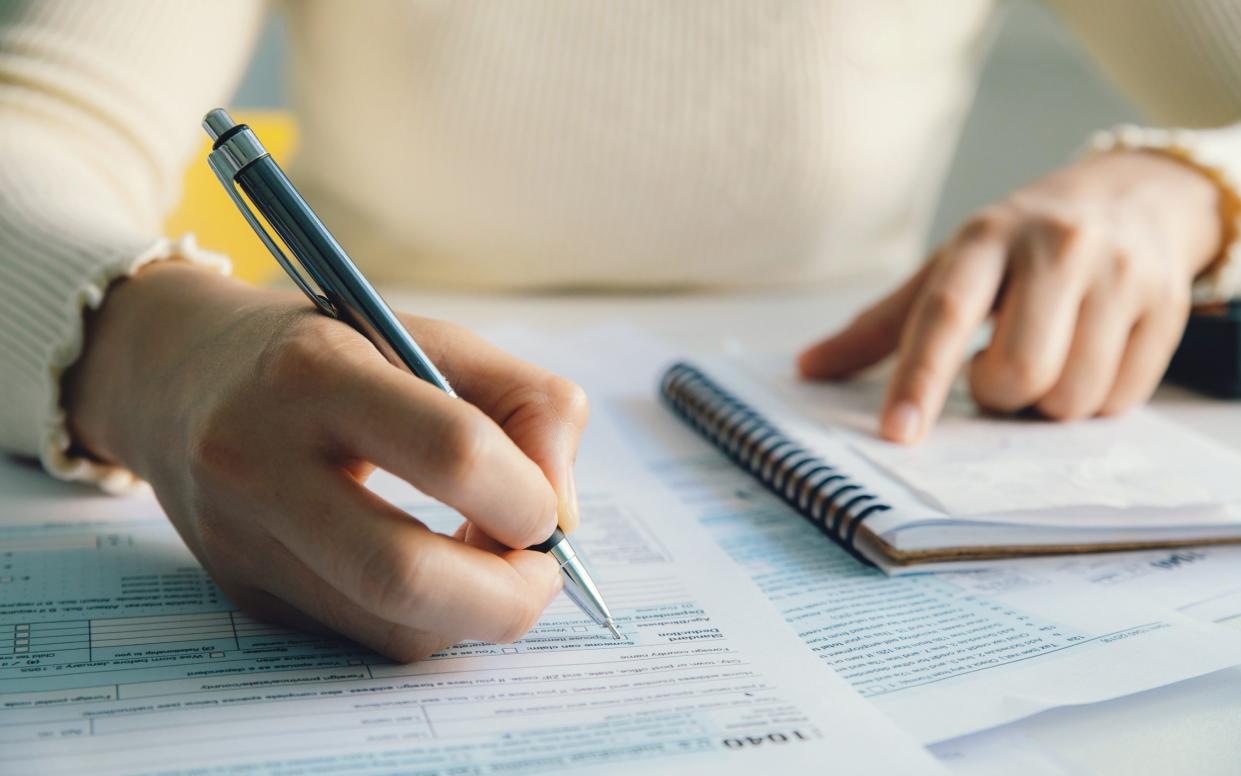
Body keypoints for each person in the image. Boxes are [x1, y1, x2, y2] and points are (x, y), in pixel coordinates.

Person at [1, 1, 1238, 660]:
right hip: (365, 420)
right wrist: (155, 349)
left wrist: (1192, 187)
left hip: (833, 418)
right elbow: (32, 126)